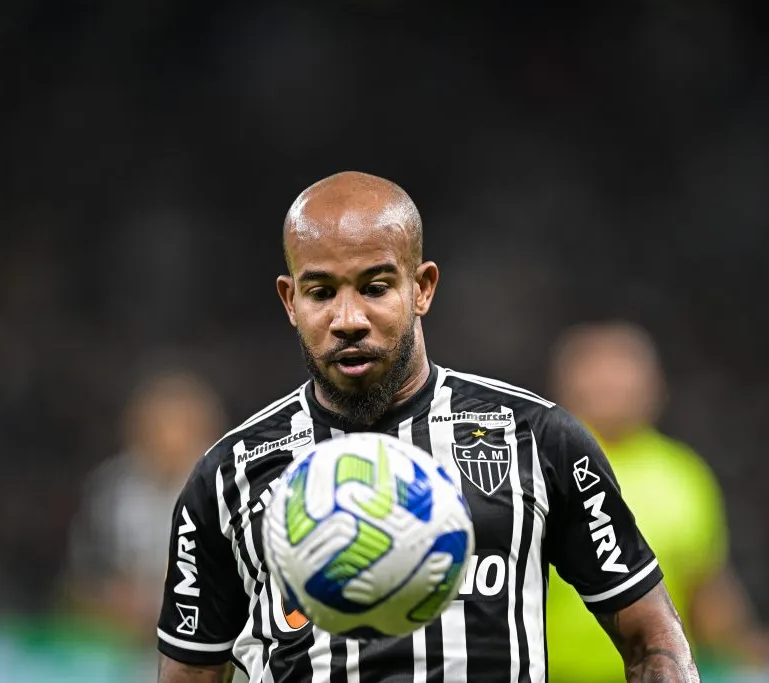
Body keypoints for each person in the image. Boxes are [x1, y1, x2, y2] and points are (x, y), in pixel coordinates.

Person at [156, 171, 701, 683]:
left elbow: (652, 636)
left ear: (422, 287)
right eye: (321, 292)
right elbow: (190, 674)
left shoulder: (536, 439)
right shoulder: (227, 475)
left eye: (374, 287)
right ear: (290, 300)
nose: (348, 319)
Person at [544, 322, 769, 682]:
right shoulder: (534, 461)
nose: (611, 386)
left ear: (656, 387)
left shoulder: (684, 475)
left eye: (625, 373)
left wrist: (743, 644)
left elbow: (702, 584)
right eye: (598, 373)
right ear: (565, 385)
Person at [64, 368, 226, 642]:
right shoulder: (111, 490)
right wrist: (117, 601)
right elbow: (81, 579)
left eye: (181, 426)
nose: (169, 438)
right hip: (123, 642)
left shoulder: (228, 486)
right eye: (158, 425)